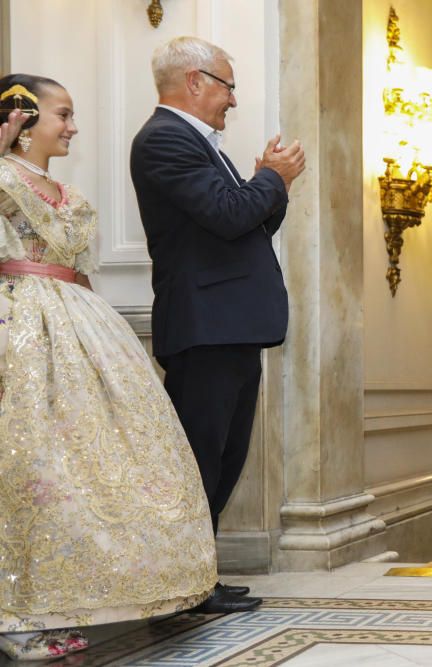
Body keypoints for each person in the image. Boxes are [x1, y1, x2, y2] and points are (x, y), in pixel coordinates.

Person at [0, 74, 216, 661]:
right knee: (30, 467)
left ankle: (62, 600)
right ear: (21, 116)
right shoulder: (1, 176)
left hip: (79, 322)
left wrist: (108, 343)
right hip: (17, 325)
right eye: (62, 114)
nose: (72, 127)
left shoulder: (66, 191)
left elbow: (76, 267)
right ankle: (17, 613)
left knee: (87, 470)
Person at [130, 37, 305, 613]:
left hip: (230, 326)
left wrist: (267, 183)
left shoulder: (200, 143)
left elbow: (246, 226)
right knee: (199, 459)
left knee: (224, 456)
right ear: (195, 81)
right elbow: (230, 216)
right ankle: (178, 587)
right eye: (227, 84)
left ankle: (197, 578)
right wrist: (271, 180)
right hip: (205, 327)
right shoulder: (164, 140)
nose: (233, 98)